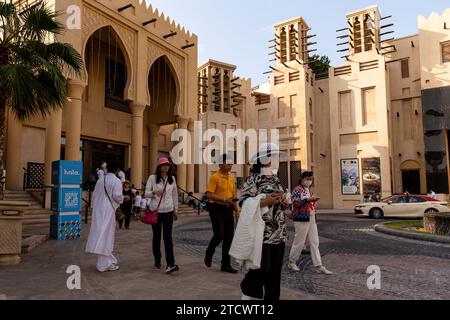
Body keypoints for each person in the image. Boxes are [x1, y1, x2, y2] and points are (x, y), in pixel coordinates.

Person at [232, 143, 289, 301]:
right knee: (263, 267)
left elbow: (280, 201)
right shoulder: (253, 179)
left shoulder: (276, 180)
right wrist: (265, 201)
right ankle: (248, 288)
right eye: (274, 156)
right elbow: (244, 203)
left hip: (279, 231)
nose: (277, 159)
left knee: (275, 272)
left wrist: (283, 202)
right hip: (262, 232)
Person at [288, 171, 333, 275]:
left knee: (315, 242)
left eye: (311, 179)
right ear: (302, 179)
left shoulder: (308, 190)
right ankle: (292, 261)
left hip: (311, 217)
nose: (309, 181)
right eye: (307, 179)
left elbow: (308, 202)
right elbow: (295, 203)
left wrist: (311, 200)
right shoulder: (297, 189)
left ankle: (318, 265)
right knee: (299, 241)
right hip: (301, 218)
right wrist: (308, 200)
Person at [86, 159, 124, 272]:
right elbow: (117, 196)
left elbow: (94, 196)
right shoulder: (116, 181)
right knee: (106, 236)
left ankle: (109, 259)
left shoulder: (100, 180)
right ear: (117, 170)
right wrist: (123, 199)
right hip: (108, 211)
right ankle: (103, 264)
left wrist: (93, 207)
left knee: (101, 233)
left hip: (98, 210)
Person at [204, 154, 240, 274]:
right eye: (228, 163)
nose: (230, 165)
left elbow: (233, 196)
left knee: (229, 237)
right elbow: (209, 195)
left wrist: (237, 210)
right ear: (220, 164)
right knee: (219, 235)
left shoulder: (231, 178)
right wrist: (225, 200)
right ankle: (210, 250)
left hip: (228, 208)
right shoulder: (214, 177)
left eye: (231, 163)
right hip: (216, 208)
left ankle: (225, 264)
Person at [145, 157, 179, 274]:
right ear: (159, 166)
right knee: (157, 237)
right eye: (164, 165)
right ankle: (157, 260)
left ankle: (170, 264)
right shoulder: (152, 178)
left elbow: (175, 195)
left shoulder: (172, 179)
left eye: (168, 165)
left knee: (168, 237)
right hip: (156, 211)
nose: (166, 167)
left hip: (168, 211)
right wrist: (154, 192)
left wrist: (176, 209)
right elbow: (146, 194)